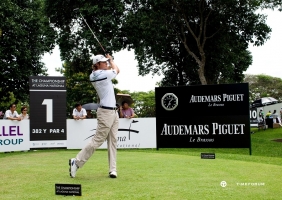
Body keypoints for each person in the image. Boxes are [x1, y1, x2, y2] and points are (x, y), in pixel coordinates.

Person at [69, 54, 120, 179]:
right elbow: (117, 70)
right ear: (97, 65)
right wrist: (112, 60)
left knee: (113, 141)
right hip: (106, 112)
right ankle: (76, 162)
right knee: (98, 140)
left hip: (114, 112)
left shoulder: (96, 74)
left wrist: (108, 61)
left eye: (106, 62)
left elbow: (111, 69)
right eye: (104, 62)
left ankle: (112, 169)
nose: (106, 63)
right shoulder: (102, 75)